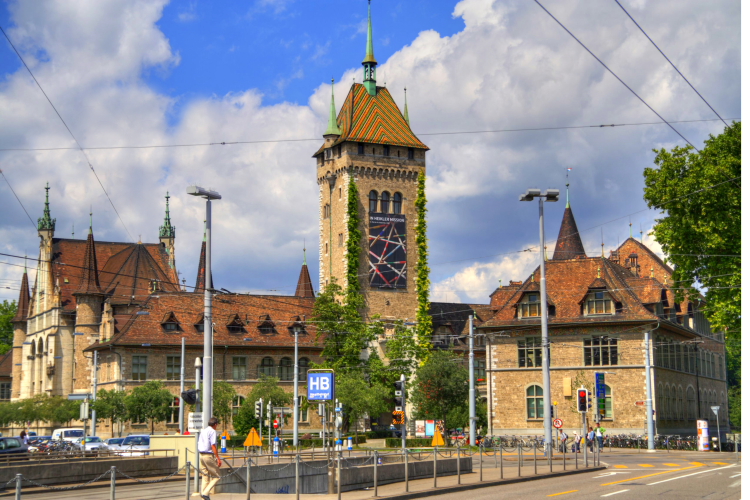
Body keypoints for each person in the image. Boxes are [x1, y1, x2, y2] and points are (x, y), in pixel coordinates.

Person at [197, 417, 222, 500]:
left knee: (205, 476)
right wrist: (218, 458)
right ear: (215, 424)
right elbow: (213, 445)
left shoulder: (203, 431)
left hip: (201, 455)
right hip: (208, 455)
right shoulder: (212, 431)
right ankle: (205, 493)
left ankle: (203, 495)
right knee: (216, 476)